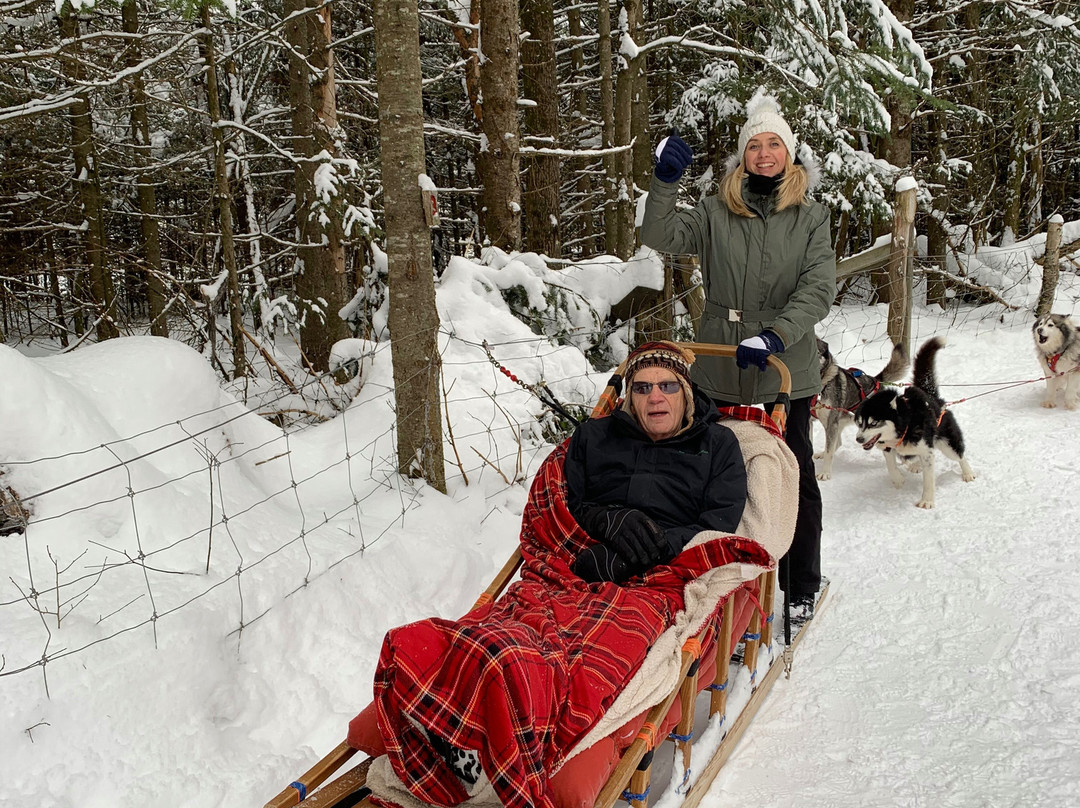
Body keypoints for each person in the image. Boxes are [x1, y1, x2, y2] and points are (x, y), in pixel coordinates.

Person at [639, 96, 835, 619]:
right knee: (708, 474)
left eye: (774, 144)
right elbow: (657, 234)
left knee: (793, 476)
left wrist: (776, 334)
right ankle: (713, 577)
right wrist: (664, 181)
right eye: (755, 144)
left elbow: (818, 288)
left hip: (783, 370)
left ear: (789, 154)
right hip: (719, 366)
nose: (764, 153)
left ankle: (800, 584)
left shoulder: (811, 218)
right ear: (743, 155)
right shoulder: (715, 210)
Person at [565, 340, 748, 584]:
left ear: (686, 392)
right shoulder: (592, 437)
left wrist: (656, 548)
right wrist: (605, 519)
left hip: (678, 569)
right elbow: (566, 506)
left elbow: (719, 524)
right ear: (630, 399)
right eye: (642, 388)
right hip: (587, 557)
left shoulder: (717, 443)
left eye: (668, 386)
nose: (655, 397)